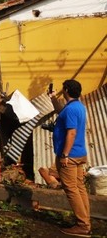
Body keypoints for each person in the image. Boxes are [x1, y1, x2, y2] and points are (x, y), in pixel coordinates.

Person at [50, 79, 91, 236]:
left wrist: (65, 154)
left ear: (66, 90)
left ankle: (83, 225)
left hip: (70, 156)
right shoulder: (77, 106)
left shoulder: (71, 109)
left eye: (62, 89)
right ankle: (85, 220)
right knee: (79, 187)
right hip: (80, 154)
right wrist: (53, 98)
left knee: (71, 189)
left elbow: (71, 132)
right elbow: (62, 112)